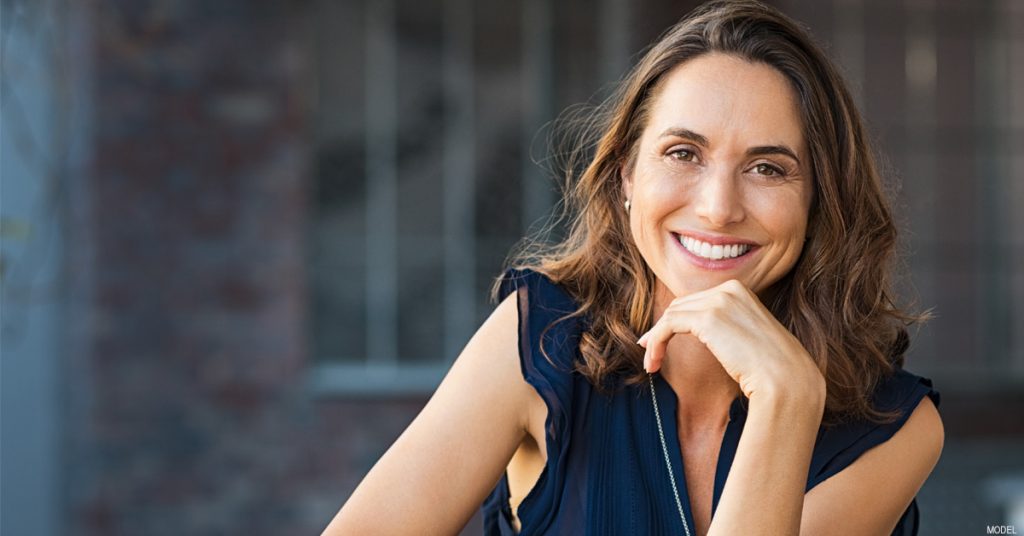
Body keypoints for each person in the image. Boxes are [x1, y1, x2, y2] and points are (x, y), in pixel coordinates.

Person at [323, 0, 944, 534]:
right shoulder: (540, 339)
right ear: (625, 174)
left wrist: (787, 400)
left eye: (768, 168)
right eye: (682, 153)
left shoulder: (895, 425)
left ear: (820, 200)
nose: (718, 208)